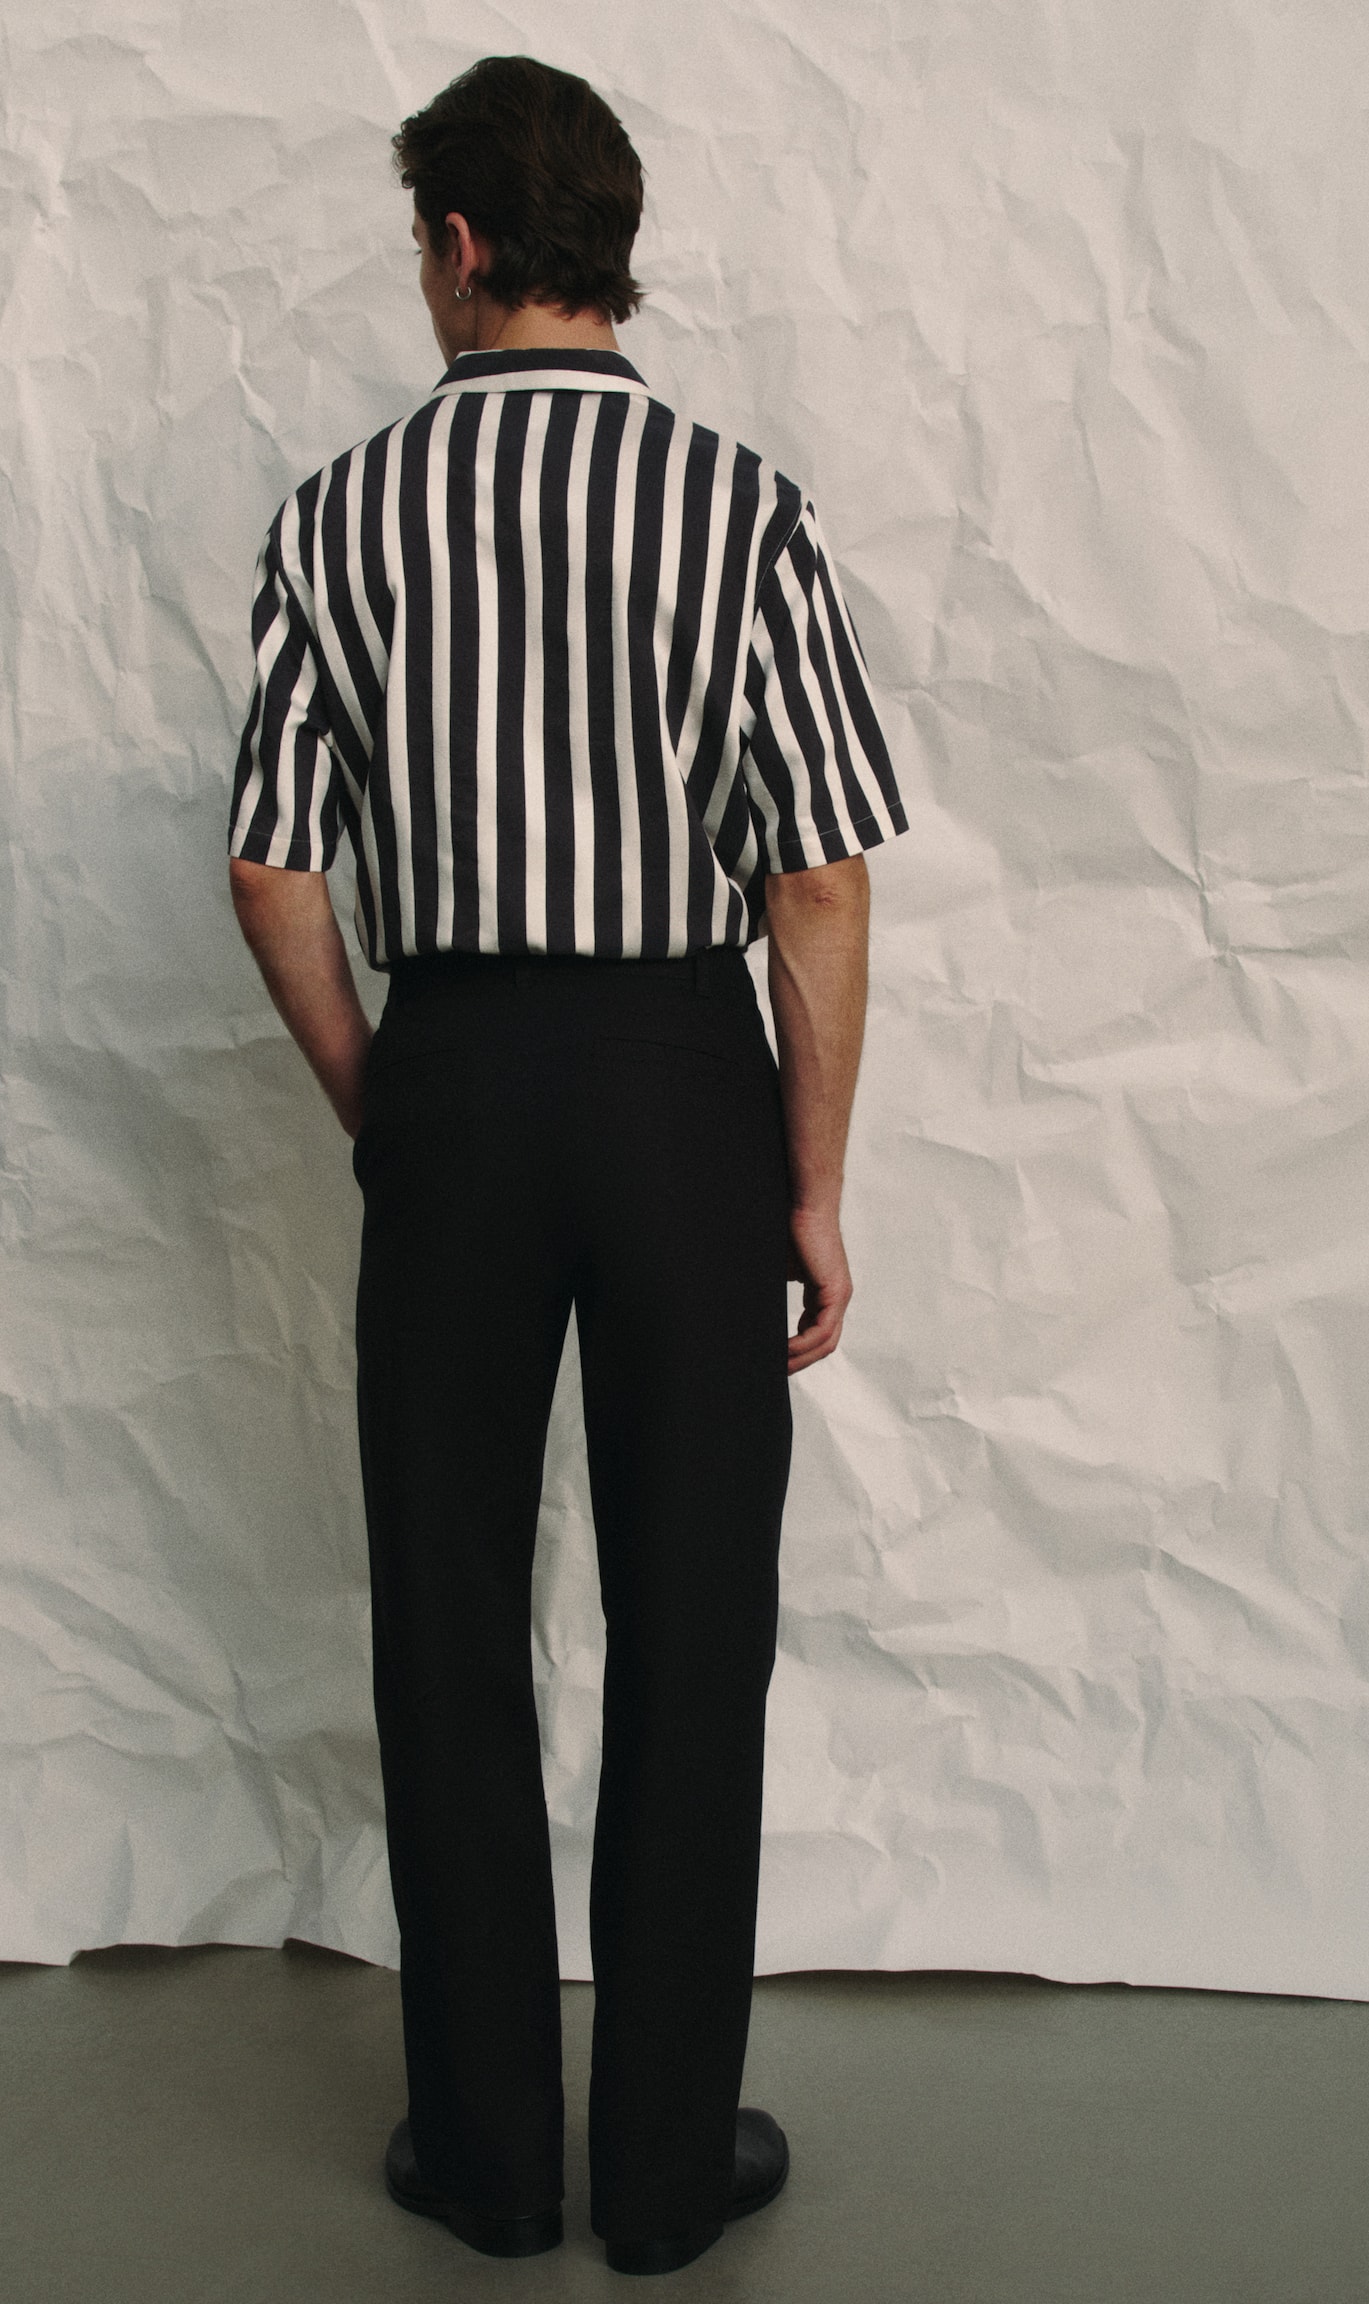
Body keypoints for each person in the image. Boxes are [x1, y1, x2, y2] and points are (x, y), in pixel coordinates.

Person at [227, 53, 910, 2279]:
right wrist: (807, 1184)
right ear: (601, 240)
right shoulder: (740, 508)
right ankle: (667, 2170)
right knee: (695, 1616)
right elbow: (817, 877)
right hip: (680, 1080)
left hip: (458, 1069)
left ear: (458, 244)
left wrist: (386, 1104)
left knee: (444, 1614)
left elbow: (272, 871)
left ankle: (491, 2156)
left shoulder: (342, 515)